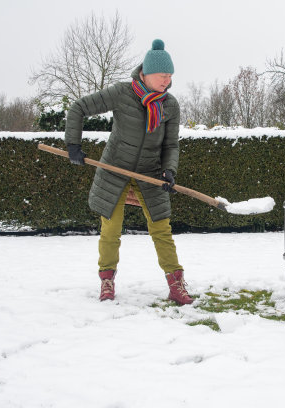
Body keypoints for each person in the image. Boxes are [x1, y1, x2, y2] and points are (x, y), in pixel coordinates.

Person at [63, 39, 193, 305]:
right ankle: (107, 280)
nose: (167, 81)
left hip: (150, 173)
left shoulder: (170, 105)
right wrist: (73, 145)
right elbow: (79, 108)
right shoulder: (122, 93)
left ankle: (176, 283)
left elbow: (170, 144)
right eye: (162, 75)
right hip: (115, 171)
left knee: (161, 229)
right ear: (145, 73)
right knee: (111, 229)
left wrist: (169, 171)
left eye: (170, 76)